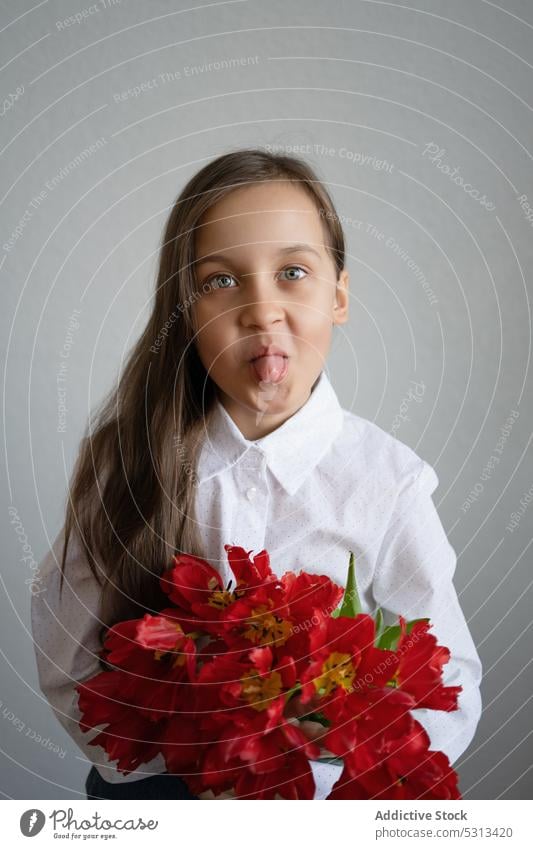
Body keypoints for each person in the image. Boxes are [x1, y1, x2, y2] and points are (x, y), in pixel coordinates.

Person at [31, 147, 482, 801]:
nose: (261, 309)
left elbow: (449, 673)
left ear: (339, 295)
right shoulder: (123, 460)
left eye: (292, 271)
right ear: (186, 310)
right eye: (221, 281)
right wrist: (162, 772)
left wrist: (344, 782)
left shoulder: (387, 479)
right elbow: (63, 643)